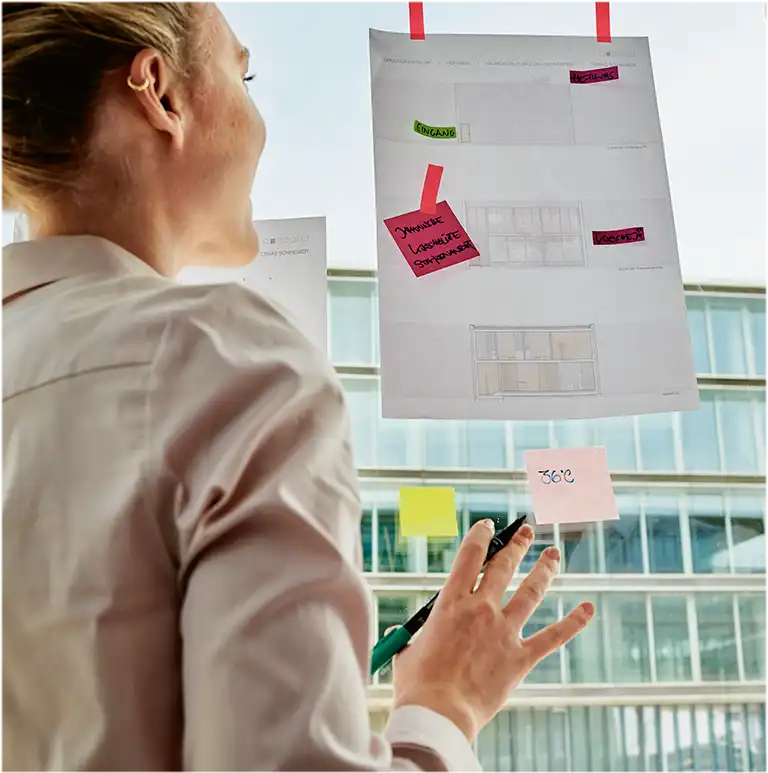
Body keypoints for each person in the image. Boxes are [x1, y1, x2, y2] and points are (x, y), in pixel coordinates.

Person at [0, 1, 595, 771]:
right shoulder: (227, 361)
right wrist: (446, 704)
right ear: (162, 93)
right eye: (243, 74)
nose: (258, 120)